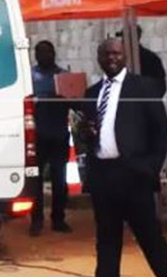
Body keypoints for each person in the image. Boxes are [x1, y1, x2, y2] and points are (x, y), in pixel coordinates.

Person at [76, 38, 167, 277]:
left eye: (116, 54)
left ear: (125, 56)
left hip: (135, 176)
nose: (111, 58)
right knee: (107, 241)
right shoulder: (92, 93)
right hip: (103, 177)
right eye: (106, 54)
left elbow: (161, 131)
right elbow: (86, 133)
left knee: (150, 239)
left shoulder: (143, 88)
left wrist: (151, 167)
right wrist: (86, 134)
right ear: (99, 58)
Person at [30, 40, 72, 236]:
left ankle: (58, 219)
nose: (45, 55)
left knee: (60, 180)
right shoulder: (30, 76)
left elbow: (76, 102)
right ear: (35, 55)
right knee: (35, 181)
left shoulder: (63, 76)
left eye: (48, 52)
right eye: (41, 52)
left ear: (54, 53)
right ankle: (36, 220)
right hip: (36, 136)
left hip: (59, 134)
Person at [117, 25, 166, 96]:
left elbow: (159, 86)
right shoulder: (119, 59)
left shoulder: (151, 59)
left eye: (125, 38)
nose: (122, 41)